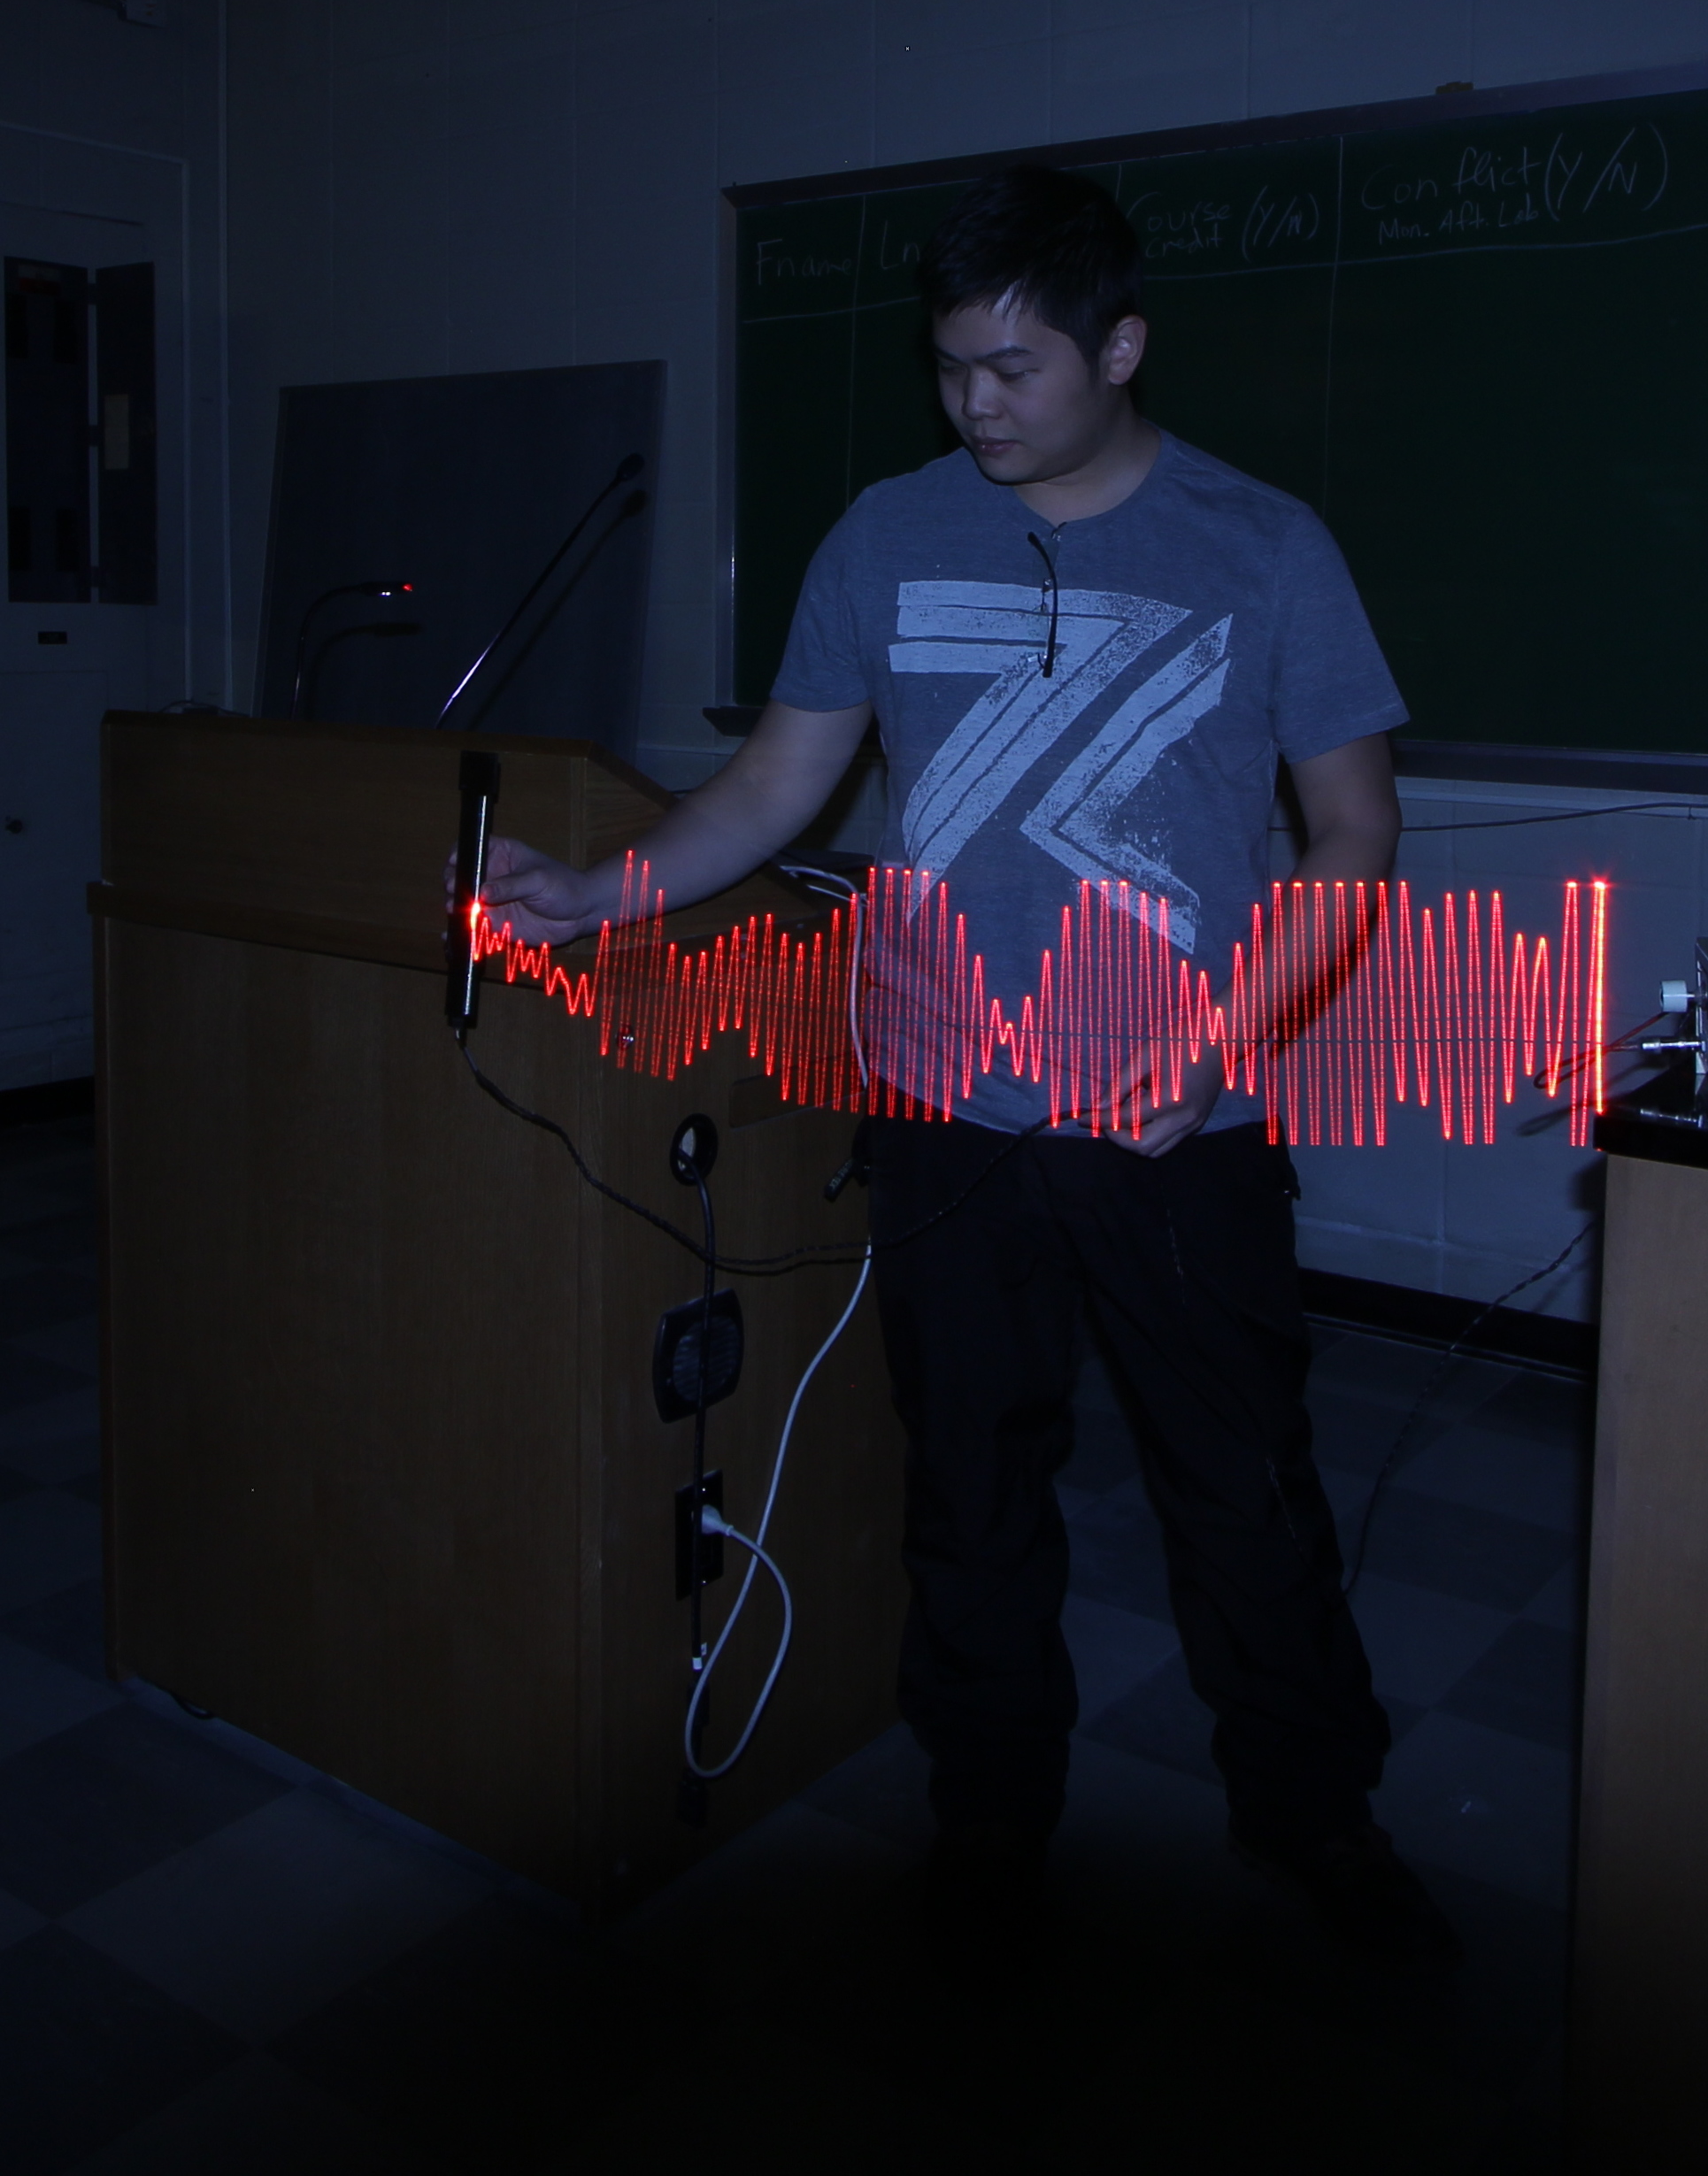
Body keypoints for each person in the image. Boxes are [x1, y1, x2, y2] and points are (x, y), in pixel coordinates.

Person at [473, 165, 1457, 1968]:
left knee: (1241, 1494)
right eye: (950, 368)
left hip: (1179, 1124)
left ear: (1121, 347)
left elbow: (1355, 833)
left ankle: (1316, 1818)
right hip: (946, 1106)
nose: (976, 406)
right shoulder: (885, 534)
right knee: (971, 1497)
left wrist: (1228, 1035)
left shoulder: (1263, 545)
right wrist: (603, 891)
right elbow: (778, 784)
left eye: (1014, 369)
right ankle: (992, 1822)